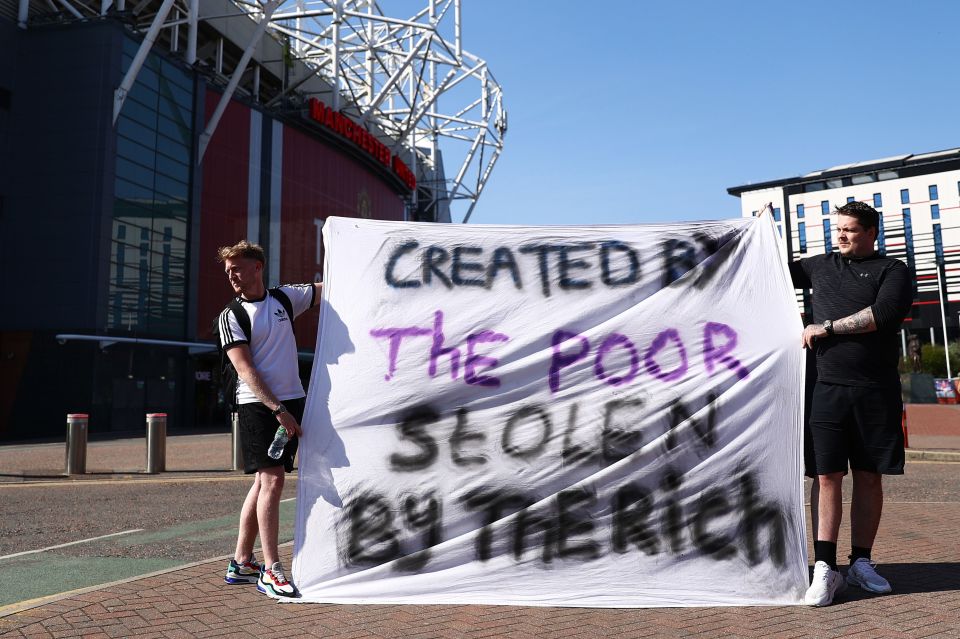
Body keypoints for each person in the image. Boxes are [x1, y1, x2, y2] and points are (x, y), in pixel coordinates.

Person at [789, 201, 913, 607]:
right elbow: (766, 269)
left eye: (849, 230)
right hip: (825, 388)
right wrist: (756, 229)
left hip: (876, 390)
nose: (840, 235)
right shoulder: (818, 266)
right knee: (825, 477)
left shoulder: (893, 271)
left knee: (869, 476)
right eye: (837, 228)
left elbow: (882, 314)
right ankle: (825, 569)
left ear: (871, 232)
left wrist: (825, 327)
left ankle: (861, 562)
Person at [217, 240, 321, 600]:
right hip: (259, 405)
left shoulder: (284, 299)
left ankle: (242, 562)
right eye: (228, 270)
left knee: (264, 481)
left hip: (291, 400)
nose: (232, 275)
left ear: (257, 267)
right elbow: (245, 369)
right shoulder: (230, 315)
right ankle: (272, 569)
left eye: (238, 268)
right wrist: (279, 410)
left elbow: (327, 290)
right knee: (273, 481)